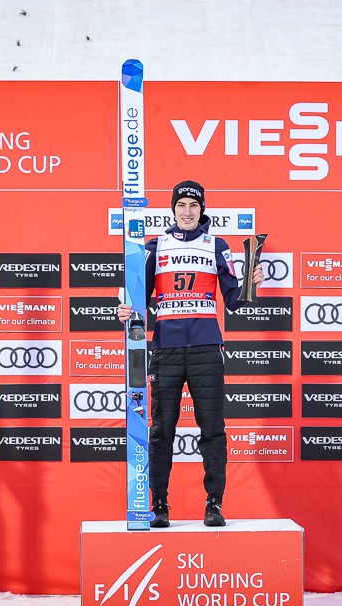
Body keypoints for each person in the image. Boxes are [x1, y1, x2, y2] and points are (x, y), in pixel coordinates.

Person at [117, 180, 264, 528]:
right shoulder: (155, 246)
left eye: (194, 206)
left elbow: (233, 300)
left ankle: (214, 504)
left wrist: (251, 283)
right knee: (161, 431)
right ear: (173, 209)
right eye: (181, 205)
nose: (187, 211)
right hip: (166, 350)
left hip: (206, 349)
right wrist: (125, 311)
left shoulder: (217, 245)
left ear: (202, 210)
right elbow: (138, 300)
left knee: (212, 429)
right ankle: (159, 506)